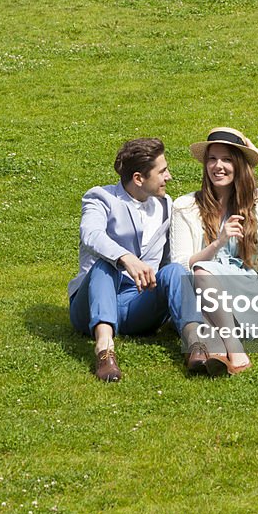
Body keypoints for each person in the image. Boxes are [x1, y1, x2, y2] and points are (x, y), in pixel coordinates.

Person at [68, 137, 215, 381]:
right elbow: (90, 234)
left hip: (136, 304)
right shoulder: (101, 198)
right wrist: (125, 258)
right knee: (106, 265)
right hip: (94, 301)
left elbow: (170, 261)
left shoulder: (166, 204)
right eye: (162, 171)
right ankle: (104, 351)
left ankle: (195, 346)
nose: (168, 177)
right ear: (138, 178)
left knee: (175, 271)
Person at [170, 128, 258, 374]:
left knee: (202, 273)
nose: (217, 166)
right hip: (205, 292)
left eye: (227, 159)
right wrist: (217, 243)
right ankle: (224, 350)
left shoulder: (254, 202)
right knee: (200, 271)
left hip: (246, 289)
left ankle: (230, 345)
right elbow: (180, 263)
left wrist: (256, 154)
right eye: (212, 159)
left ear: (239, 164)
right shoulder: (185, 206)